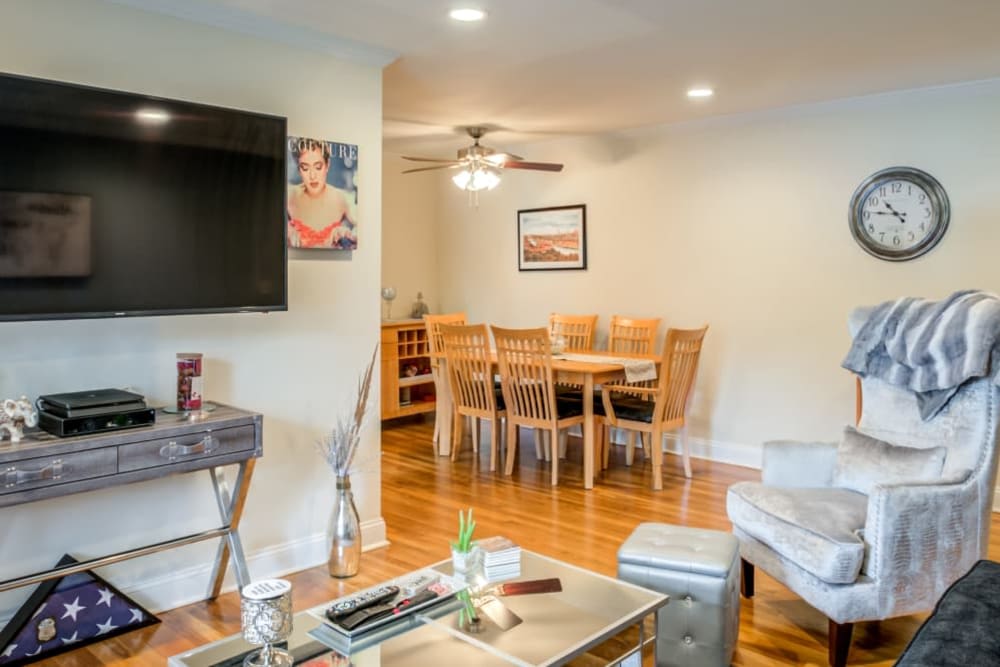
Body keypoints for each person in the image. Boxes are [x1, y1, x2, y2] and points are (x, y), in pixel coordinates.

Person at [287, 138, 357, 249]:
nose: (312, 176)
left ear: (327, 165)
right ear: (299, 169)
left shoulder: (341, 198)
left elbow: (367, 231)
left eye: (318, 167)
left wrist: (346, 235)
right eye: (305, 168)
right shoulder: (289, 195)